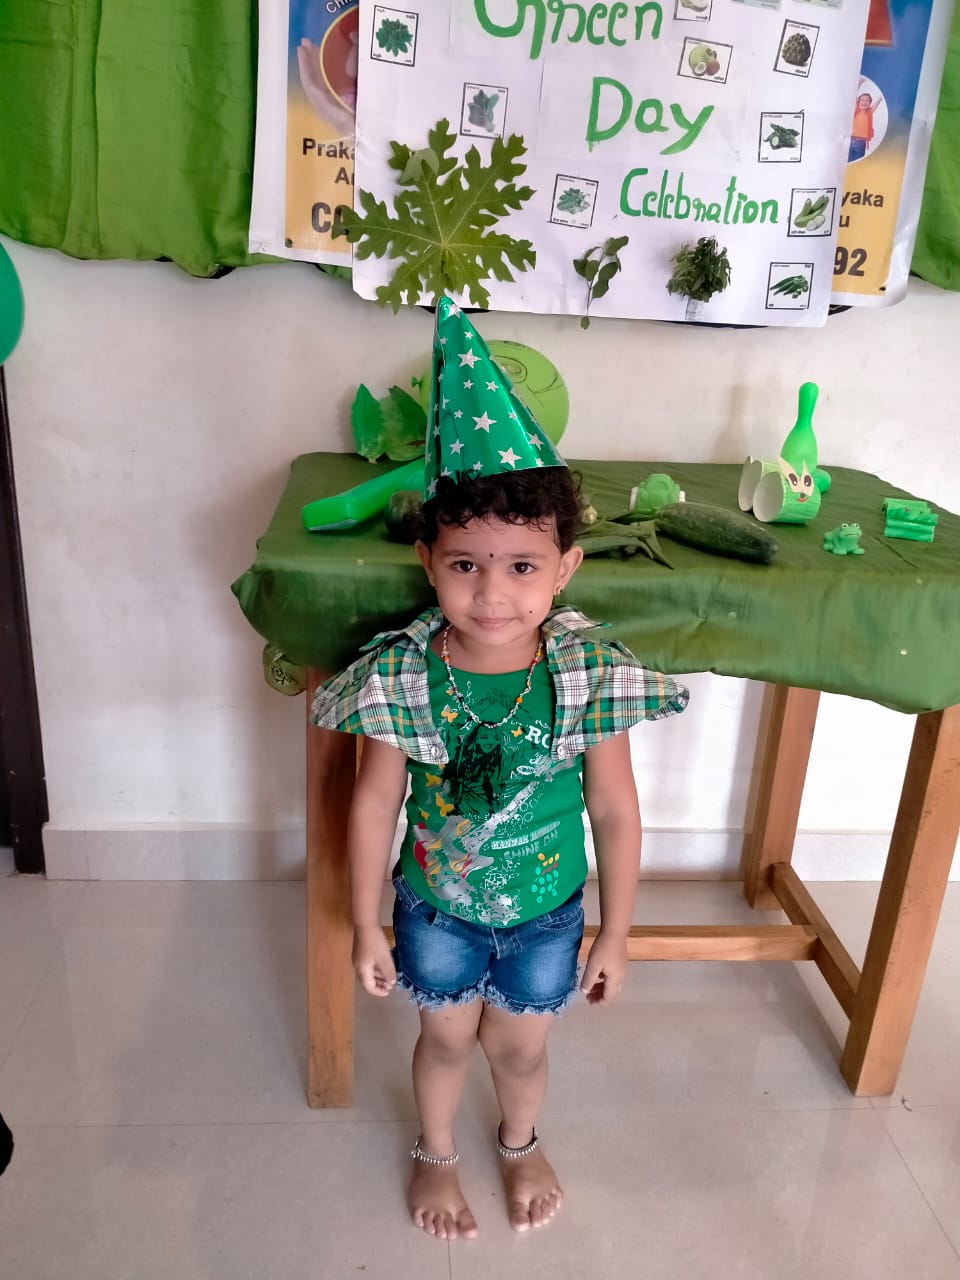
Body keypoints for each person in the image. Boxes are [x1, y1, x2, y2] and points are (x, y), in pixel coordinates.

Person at [312, 298, 688, 1239]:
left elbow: (615, 808)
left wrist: (618, 932)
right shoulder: (405, 673)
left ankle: (519, 1143)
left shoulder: (585, 673)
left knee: (520, 1053)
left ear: (565, 568)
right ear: (428, 561)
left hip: (546, 916)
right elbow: (374, 803)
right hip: (434, 911)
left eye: (522, 566)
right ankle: (436, 1153)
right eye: (465, 565)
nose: (492, 592)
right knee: (443, 1042)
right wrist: (364, 922)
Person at [849, 88, 882, 163]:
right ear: (858, 102)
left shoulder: (869, 112)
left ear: (870, 103)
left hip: (861, 143)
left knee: (857, 163)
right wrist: (859, 85)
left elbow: (878, 101)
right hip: (849, 141)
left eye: (867, 101)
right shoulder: (854, 110)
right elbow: (854, 96)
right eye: (862, 100)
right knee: (849, 163)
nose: (864, 102)